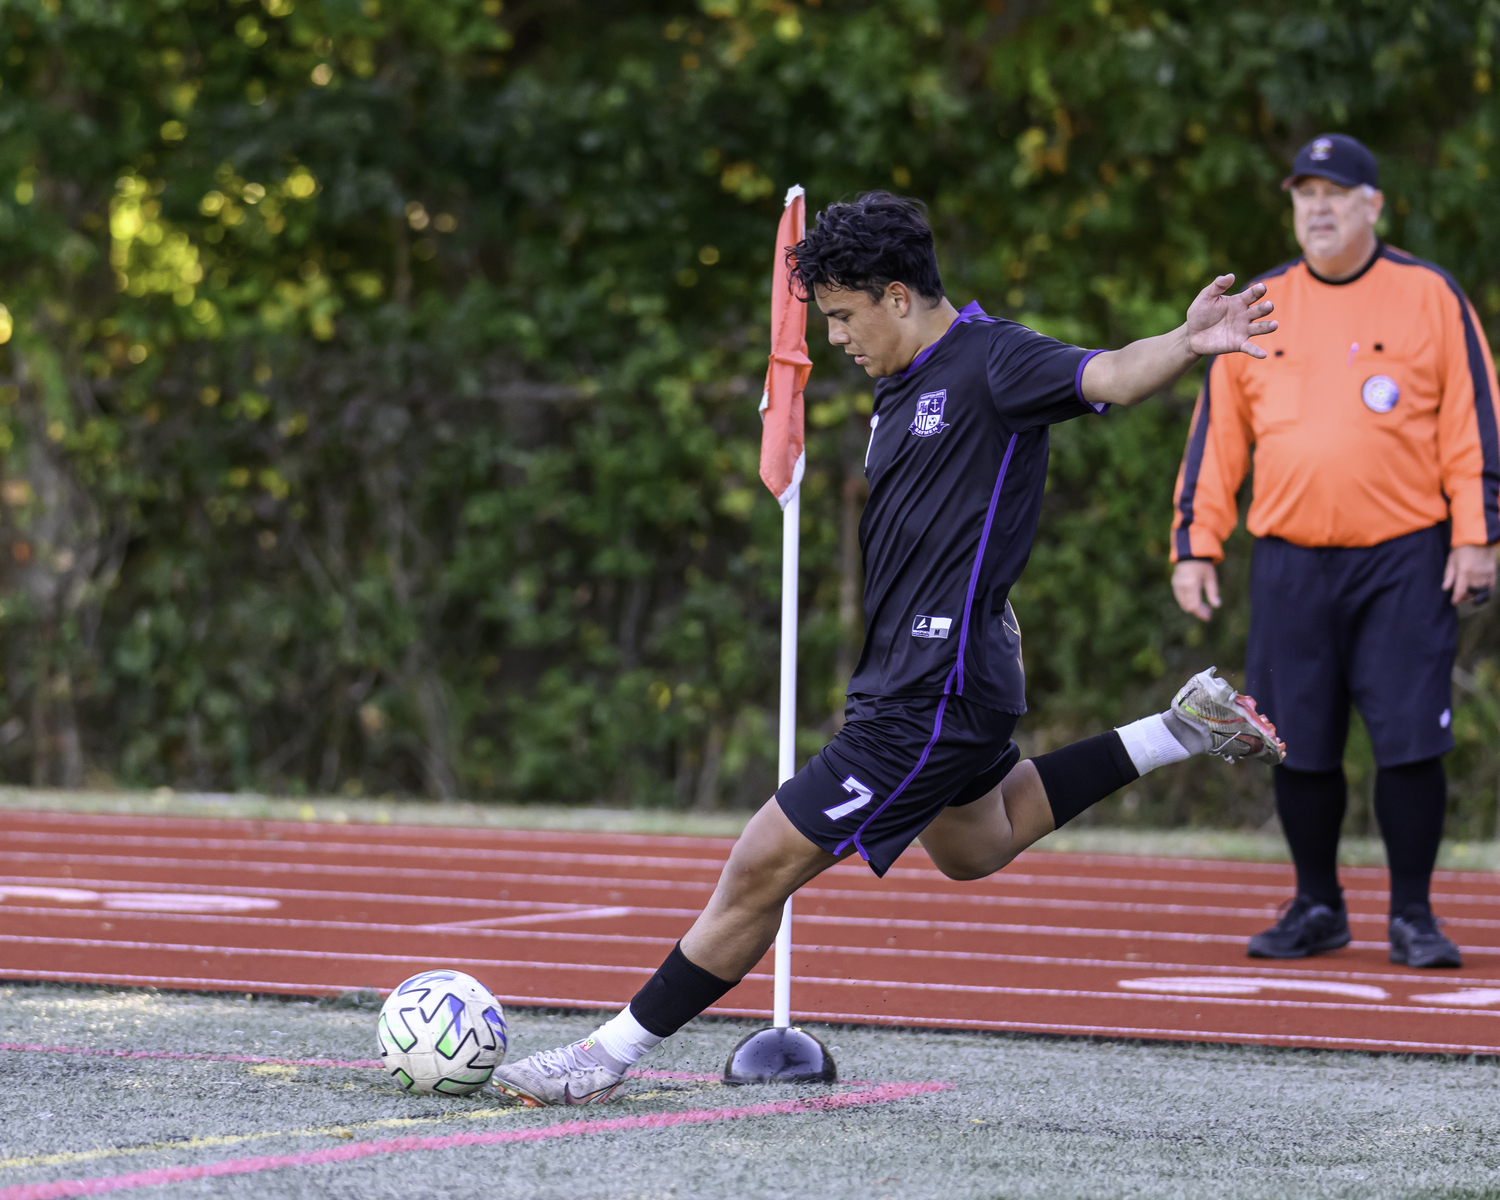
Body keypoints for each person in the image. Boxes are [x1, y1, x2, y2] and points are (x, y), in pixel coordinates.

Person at [493, 192, 1286, 1107]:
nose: (834, 337)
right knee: (975, 845)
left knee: (759, 864)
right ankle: (1176, 730)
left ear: (899, 296)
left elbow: (1107, 374)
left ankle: (603, 1058)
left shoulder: (995, 359)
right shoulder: (899, 383)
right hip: (935, 680)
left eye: (842, 315)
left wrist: (1186, 344)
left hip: (930, 693)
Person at [1170, 134, 1500, 970]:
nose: (1317, 207)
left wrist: (1478, 535)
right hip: (1289, 561)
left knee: (1410, 743)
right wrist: (1196, 544)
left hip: (1404, 558)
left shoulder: (1428, 295)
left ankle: (1414, 918)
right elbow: (1219, 440)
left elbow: (1473, 423)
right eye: (1304, 193)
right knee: (1298, 741)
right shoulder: (1262, 302)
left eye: (1335, 192)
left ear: (1371, 205)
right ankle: (1317, 905)